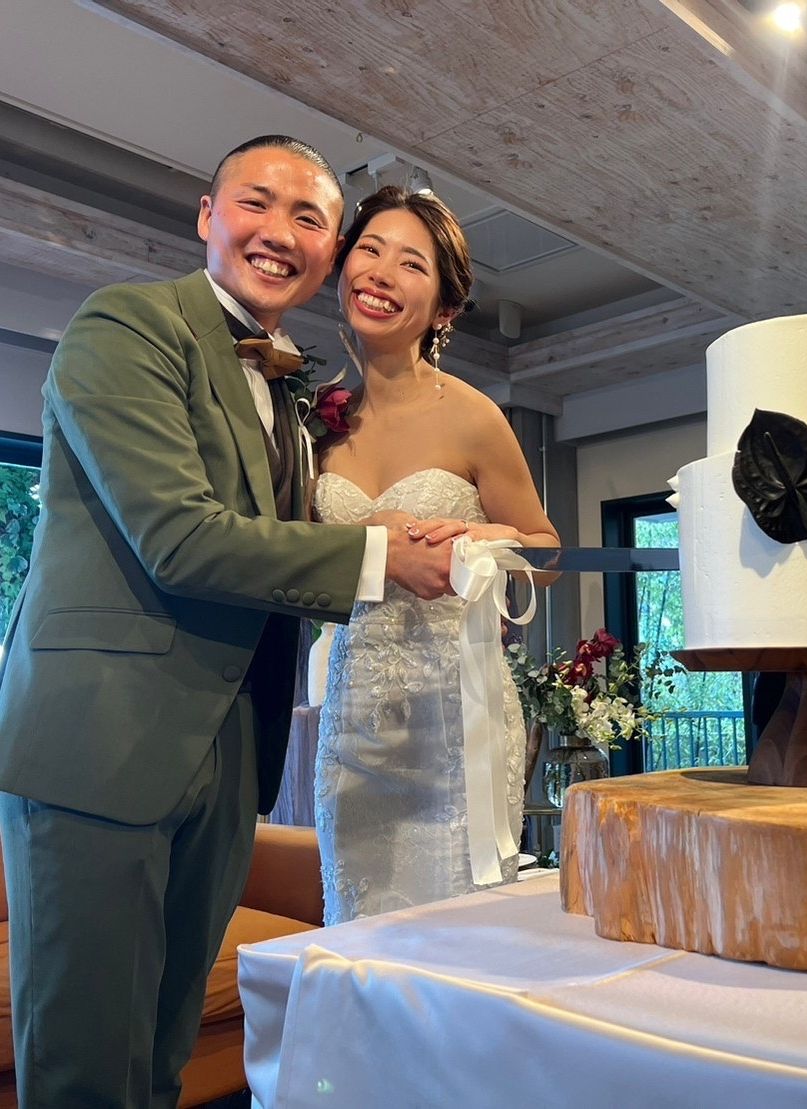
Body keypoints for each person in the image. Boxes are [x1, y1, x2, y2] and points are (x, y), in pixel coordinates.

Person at [0, 136, 456, 1107]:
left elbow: (274, 541)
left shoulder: (290, 392)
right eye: (258, 202)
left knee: (160, 1061)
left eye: (309, 217)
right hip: (100, 744)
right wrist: (380, 556)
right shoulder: (127, 323)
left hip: (231, 748)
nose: (280, 231)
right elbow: (179, 536)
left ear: (327, 255)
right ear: (208, 214)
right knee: (85, 1073)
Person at [313, 185, 559, 923]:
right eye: (369, 249)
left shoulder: (473, 415)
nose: (381, 272)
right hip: (353, 720)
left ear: (445, 309)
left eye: (411, 263)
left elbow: (545, 550)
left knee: (456, 932)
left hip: (454, 718)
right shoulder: (318, 420)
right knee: (355, 929)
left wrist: (479, 540)